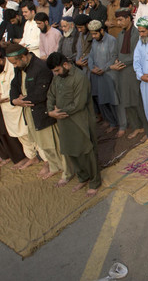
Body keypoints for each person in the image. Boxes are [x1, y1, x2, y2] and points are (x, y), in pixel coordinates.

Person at [7, 43, 72, 184]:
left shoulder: (40, 68)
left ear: (24, 56)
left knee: (55, 145)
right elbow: (14, 85)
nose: (14, 65)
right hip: (30, 112)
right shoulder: (20, 67)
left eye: (15, 62)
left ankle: (67, 172)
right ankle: (55, 167)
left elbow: (41, 93)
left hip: (43, 112)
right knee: (44, 145)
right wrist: (14, 100)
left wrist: (23, 100)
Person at [46, 52, 101, 196]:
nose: (56, 74)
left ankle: (95, 182)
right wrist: (50, 110)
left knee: (87, 151)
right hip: (64, 122)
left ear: (65, 65)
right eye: (54, 71)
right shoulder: (58, 77)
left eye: (57, 70)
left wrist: (58, 112)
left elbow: (78, 104)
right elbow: (51, 94)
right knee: (71, 151)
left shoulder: (79, 78)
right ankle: (83, 178)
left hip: (81, 121)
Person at [0, 48, 35, 169]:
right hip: (6, 109)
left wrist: (3, 96)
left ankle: (39, 159)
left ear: (0, 61)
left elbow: (17, 88)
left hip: (18, 107)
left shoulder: (13, 67)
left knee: (28, 134)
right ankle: (31, 157)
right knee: (20, 136)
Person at [110, 9, 147, 140]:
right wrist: (115, 62)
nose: (119, 23)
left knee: (137, 100)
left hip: (133, 70)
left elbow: (137, 55)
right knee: (126, 101)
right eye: (117, 20)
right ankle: (136, 127)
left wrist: (120, 63)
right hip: (121, 71)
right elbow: (116, 52)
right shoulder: (120, 34)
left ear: (128, 19)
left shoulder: (137, 33)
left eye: (121, 20)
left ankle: (146, 128)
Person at [87, 20, 120, 133]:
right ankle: (110, 121)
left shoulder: (111, 40)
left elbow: (113, 57)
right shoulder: (94, 42)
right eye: (92, 34)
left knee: (112, 100)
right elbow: (90, 57)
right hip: (97, 75)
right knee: (101, 101)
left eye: (95, 34)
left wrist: (103, 69)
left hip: (109, 74)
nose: (94, 36)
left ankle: (118, 123)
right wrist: (92, 68)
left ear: (101, 30)